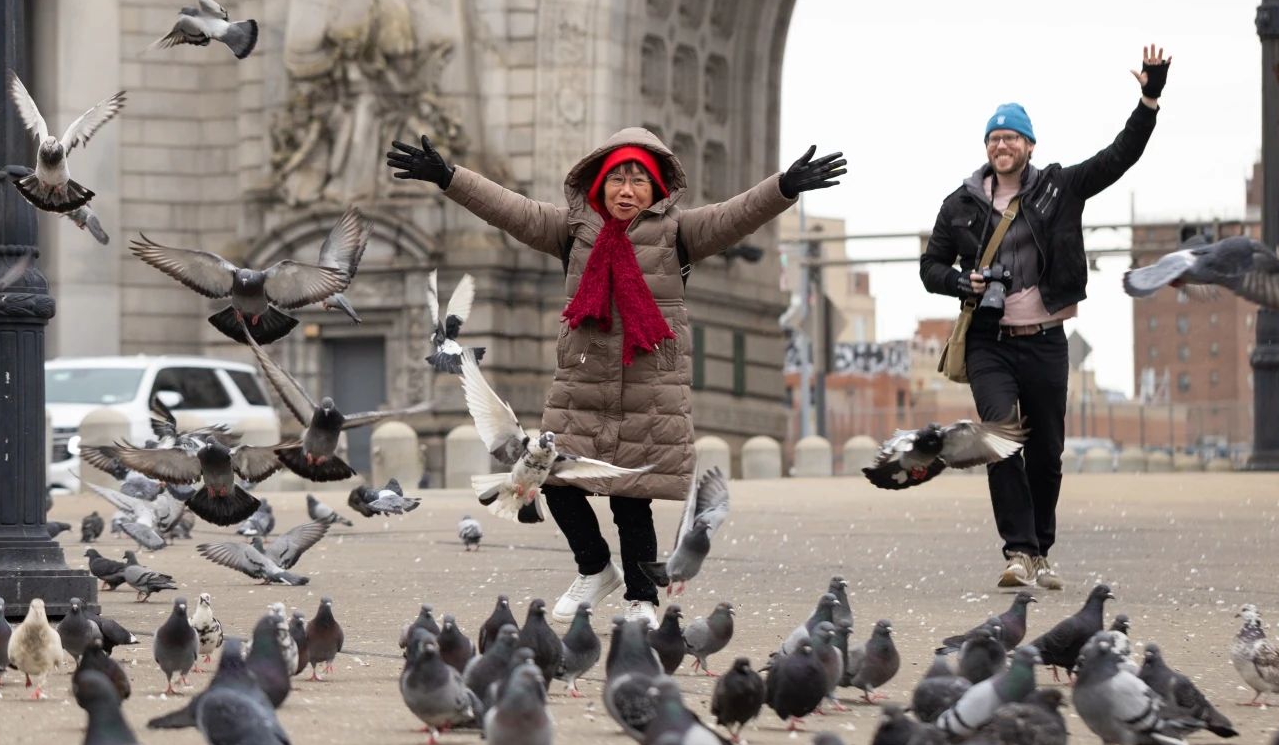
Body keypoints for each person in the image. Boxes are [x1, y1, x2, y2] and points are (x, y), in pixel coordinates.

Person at [388, 129, 846, 623]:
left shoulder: (678, 233)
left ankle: (642, 601)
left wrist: (784, 187)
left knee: (632, 505)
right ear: (599, 184)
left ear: (657, 189)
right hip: (581, 383)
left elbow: (734, 215)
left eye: (639, 181)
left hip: (649, 385)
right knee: (557, 482)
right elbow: (510, 209)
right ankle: (595, 570)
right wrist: (449, 177)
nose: (627, 190)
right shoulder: (572, 229)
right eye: (617, 180)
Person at [919, 45, 1170, 591]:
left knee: (1047, 455)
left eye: (1011, 137)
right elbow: (930, 267)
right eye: (994, 138)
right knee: (1000, 437)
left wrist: (1148, 100)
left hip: (1046, 341)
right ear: (986, 148)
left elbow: (1119, 156)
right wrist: (962, 282)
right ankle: (1017, 551)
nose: (1002, 145)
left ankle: (1042, 550)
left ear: (1029, 145)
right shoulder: (959, 204)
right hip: (989, 341)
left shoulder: (1060, 187)